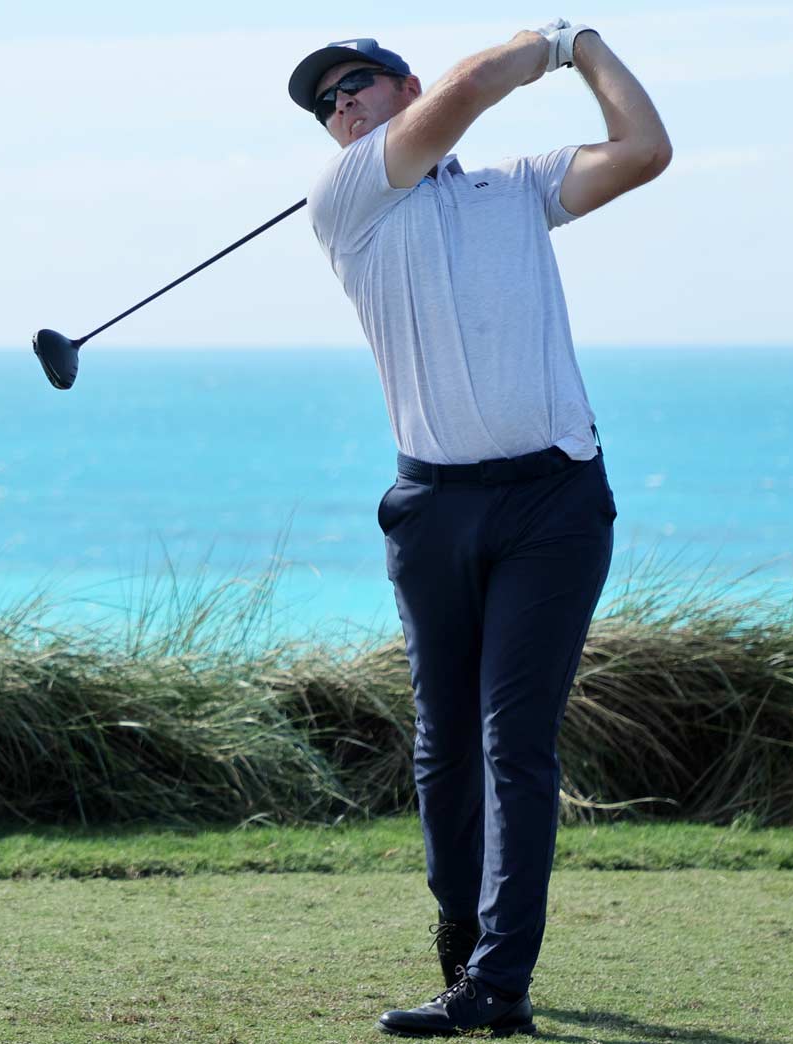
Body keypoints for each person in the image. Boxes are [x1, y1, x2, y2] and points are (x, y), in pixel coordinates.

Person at [287, 21, 670, 1038]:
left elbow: (643, 151)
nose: (340, 106)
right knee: (445, 747)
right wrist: (543, 42)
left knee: (514, 744)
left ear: (400, 84)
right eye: (325, 104)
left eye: (355, 84)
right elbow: (462, 94)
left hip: (555, 503)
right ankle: (461, 935)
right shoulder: (347, 199)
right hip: (433, 510)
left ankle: (499, 984)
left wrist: (586, 48)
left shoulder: (517, 188)